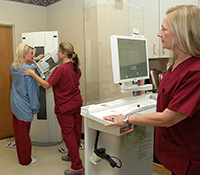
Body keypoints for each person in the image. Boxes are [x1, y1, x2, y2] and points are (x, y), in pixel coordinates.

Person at [104, 5, 200, 175]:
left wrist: (127, 118)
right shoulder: (175, 63)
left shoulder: (196, 72)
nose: (158, 33)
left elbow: (168, 118)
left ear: (181, 32)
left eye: (164, 29)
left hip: (189, 158)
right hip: (174, 153)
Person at [23, 42, 85, 175]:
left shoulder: (60, 70)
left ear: (63, 54)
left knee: (68, 135)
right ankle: (71, 154)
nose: (56, 54)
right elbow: (69, 83)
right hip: (76, 103)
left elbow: (46, 85)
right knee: (75, 131)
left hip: (65, 107)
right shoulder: (75, 68)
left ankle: (77, 165)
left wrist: (32, 74)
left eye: (58, 52)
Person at [10, 43, 43, 165]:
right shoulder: (29, 71)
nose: (33, 55)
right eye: (31, 54)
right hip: (24, 107)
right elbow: (32, 93)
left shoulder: (14, 66)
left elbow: (24, 65)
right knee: (24, 136)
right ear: (24, 54)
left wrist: (35, 59)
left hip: (15, 104)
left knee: (19, 134)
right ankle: (25, 160)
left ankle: (21, 156)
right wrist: (35, 108)